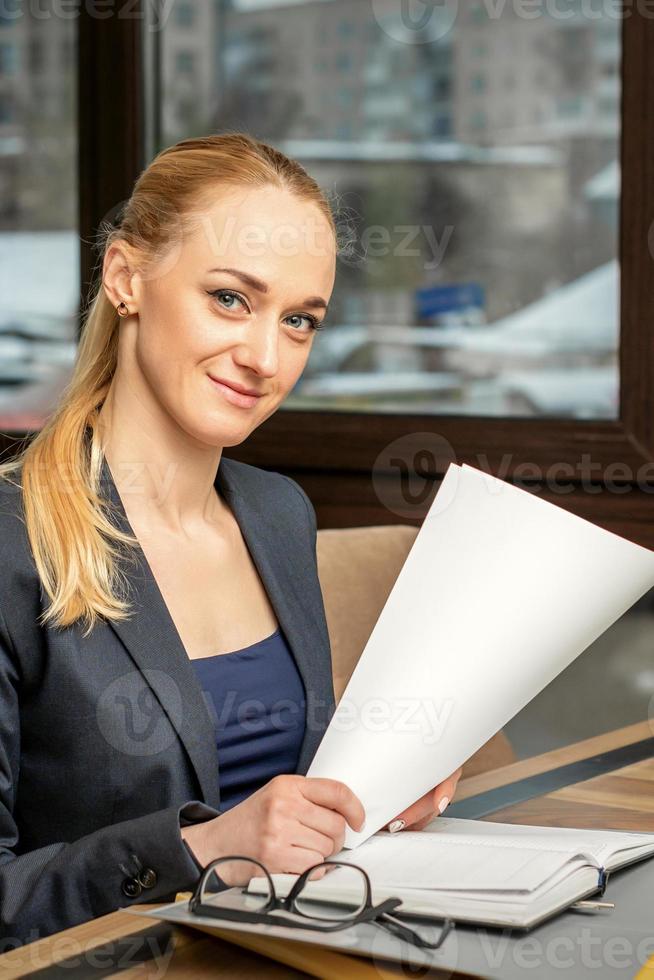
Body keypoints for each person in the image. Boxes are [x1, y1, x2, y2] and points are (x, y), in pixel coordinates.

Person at [0, 132, 461, 946]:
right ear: (126, 278)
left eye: (300, 321)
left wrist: (376, 790)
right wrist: (201, 849)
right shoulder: (13, 542)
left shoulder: (278, 513)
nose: (264, 357)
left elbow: (279, 794)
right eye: (229, 298)